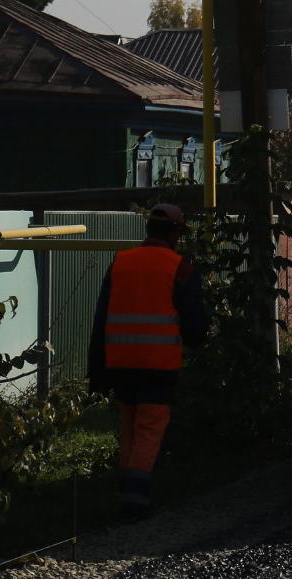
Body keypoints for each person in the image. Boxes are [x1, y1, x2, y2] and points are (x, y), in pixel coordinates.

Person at [88, 204, 210, 519]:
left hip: (121, 362)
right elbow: (194, 323)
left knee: (129, 424)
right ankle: (135, 499)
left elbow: (101, 318)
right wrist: (197, 341)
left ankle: (126, 488)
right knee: (149, 429)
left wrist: (97, 370)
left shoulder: (121, 263)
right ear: (175, 233)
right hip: (158, 365)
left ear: (148, 230)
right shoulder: (180, 268)